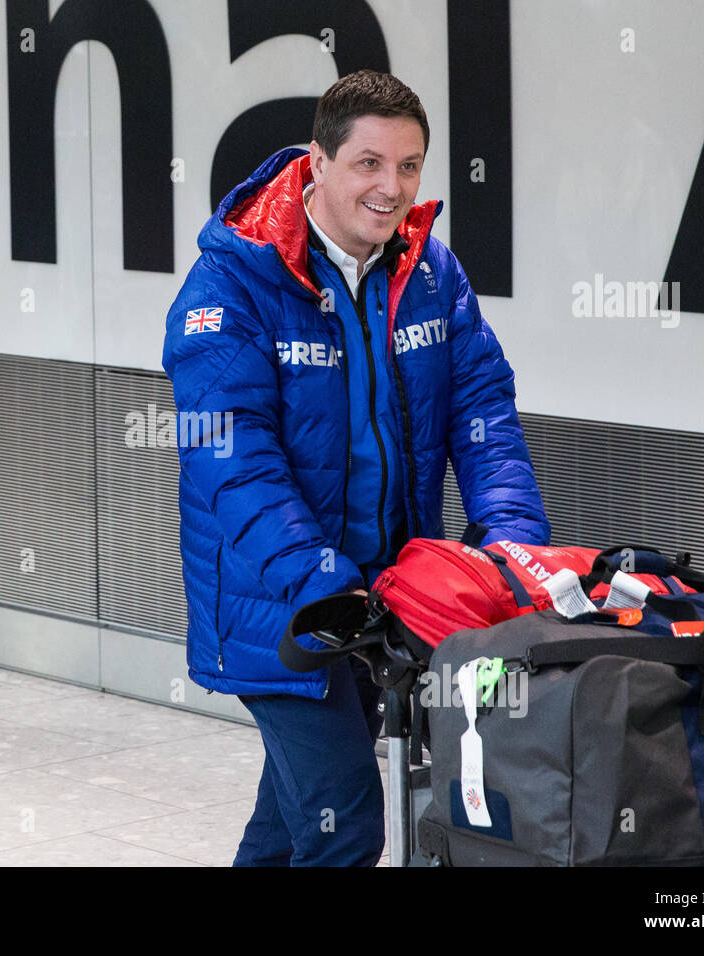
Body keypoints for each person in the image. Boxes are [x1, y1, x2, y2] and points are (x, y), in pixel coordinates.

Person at [162, 70, 550, 866]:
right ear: (319, 161)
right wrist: (321, 580)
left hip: (388, 600)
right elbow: (229, 453)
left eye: (409, 166)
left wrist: (509, 544)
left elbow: (484, 419)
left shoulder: (431, 275)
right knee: (347, 824)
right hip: (282, 607)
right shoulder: (233, 281)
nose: (392, 187)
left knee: (292, 823)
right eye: (369, 163)